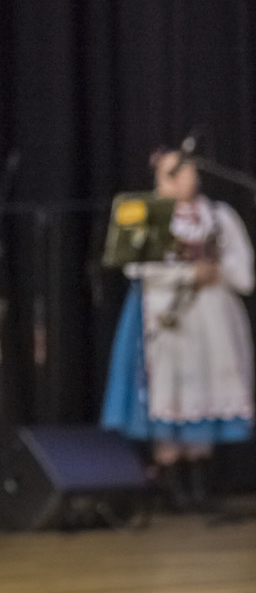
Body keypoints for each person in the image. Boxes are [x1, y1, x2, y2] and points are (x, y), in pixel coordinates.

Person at [102, 149, 254, 509]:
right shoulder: (145, 212)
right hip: (166, 322)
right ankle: (172, 488)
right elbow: (135, 267)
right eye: (173, 172)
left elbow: (245, 275)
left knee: (204, 392)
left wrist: (216, 270)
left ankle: (201, 486)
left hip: (213, 325)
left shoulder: (219, 216)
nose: (184, 177)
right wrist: (188, 273)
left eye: (188, 170)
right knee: (170, 394)